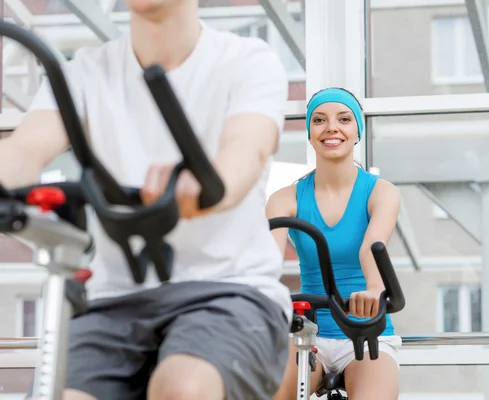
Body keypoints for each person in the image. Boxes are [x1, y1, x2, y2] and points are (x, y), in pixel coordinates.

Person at [0, 1, 292, 399]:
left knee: (182, 388)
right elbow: (23, 151)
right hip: (114, 299)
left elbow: (247, 152)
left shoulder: (248, 61)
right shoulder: (83, 72)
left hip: (229, 290)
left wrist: (204, 184)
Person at [267, 87, 402, 400]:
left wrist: (373, 288)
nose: (331, 127)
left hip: (367, 331)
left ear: (357, 132)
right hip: (307, 330)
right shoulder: (284, 198)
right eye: (319, 120)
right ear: (310, 134)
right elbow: (266, 264)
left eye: (343, 119)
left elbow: (373, 248)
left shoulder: (381, 192)